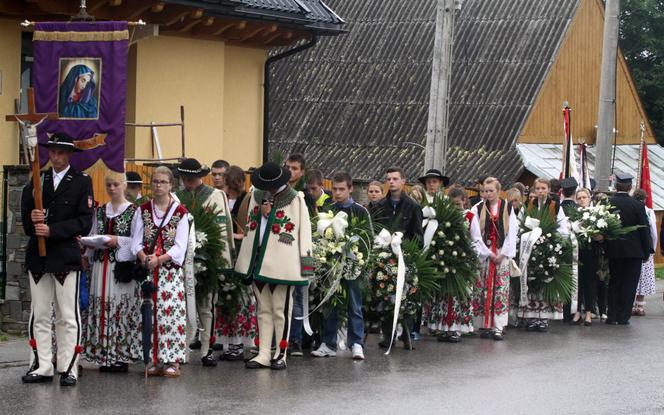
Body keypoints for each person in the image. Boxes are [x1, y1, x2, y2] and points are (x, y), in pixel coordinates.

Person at [21, 133, 94, 386]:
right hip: (38, 257)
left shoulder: (81, 181)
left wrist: (53, 230)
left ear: (70, 155)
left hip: (64, 256)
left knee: (66, 314)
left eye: (61, 152)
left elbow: (84, 221)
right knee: (39, 314)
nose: (56, 156)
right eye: (52, 152)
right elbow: (26, 218)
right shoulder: (38, 179)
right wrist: (34, 220)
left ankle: (68, 366)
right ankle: (41, 364)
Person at [235, 162, 313, 370]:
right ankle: (263, 354)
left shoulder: (296, 199)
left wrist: (307, 266)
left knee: (281, 310)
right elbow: (250, 228)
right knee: (263, 309)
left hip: (283, 264)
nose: (267, 189)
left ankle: (281, 352)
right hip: (257, 261)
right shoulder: (256, 197)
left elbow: (304, 232)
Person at [131, 166, 190, 377]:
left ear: (171, 185)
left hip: (169, 273)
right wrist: (143, 257)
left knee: (170, 314)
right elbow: (135, 241)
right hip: (148, 271)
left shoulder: (180, 213)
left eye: (163, 182)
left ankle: (172, 360)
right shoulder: (143, 210)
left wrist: (159, 259)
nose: (158, 186)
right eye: (155, 181)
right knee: (149, 314)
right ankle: (153, 359)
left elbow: (180, 247)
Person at [176, 158, 234, 367]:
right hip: (180, 260)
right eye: (185, 178)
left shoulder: (216, 196)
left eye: (191, 178)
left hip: (208, 258)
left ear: (200, 176)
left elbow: (223, 229)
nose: (188, 182)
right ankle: (181, 349)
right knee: (180, 306)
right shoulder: (176, 197)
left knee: (206, 305)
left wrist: (225, 261)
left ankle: (206, 349)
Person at [82, 171, 141, 372]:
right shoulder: (99, 210)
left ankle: (120, 355)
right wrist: (87, 247)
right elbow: (92, 234)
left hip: (120, 267)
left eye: (116, 184)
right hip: (100, 265)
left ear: (124, 185)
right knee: (100, 305)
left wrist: (118, 241)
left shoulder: (134, 211)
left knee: (119, 306)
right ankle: (102, 353)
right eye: (108, 185)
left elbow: (138, 242)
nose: (112, 188)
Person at [311, 172, 370, 360]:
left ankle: (357, 344)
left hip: (353, 265)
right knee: (330, 303)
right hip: (332, 265)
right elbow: (320, 234)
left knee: (355, 305)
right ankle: (329, 343)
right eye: (335, 189)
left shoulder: (361, 211)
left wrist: (357, 258)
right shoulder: (329, 208)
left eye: (342, 189)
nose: (337, 193)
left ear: (350, 189)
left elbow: (367, 238)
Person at [372, 167, 423, 348]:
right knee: (385, 295)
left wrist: (407, 251)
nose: (391, 182)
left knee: (407, 296)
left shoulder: (413, 206)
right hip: (384, 258)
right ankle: (388, 334)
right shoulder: (379, 206)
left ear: (403, 181)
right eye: (389, 179)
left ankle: (407, 332)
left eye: (395, 178)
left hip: (404, 258)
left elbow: (418, 236)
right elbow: (375, 231)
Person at [215, 165, 258, 360]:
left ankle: (238, 344)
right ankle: (226, 342)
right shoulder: (220, 197)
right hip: (224, 253)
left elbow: (251, 229)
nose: (229, 190)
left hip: (240, 253)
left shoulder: (247, 200)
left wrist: (237, 235)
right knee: (224, 298)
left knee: (240, 298)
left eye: (232, 187)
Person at [430, 186, 482, 342]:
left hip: (462, 262)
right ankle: (445, 327)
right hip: (446, 260)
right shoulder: (444, 216)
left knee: (460, 295)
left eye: (458, 204)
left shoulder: (470, 216)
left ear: (464, 201)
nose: (455, 208)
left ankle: (457, 329)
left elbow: (476, 239)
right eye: (452, 205)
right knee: (445, 295)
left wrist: (469, 256)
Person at [519, 178, 568, 332]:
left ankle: (543, 318)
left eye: (543, 188)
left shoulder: (555, 205)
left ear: (548, 189)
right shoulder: (528, 204)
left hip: (548, 247)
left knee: (545, 281)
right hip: (530, 247)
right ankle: (531, 317)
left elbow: (562, 227)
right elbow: (520, 222)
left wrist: (555, 241)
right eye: (538, 188)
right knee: (531, 281)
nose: (540, 191)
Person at [471, 177, 517, 341]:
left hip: (501, 253)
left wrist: (502, 254)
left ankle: (498, 326)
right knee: (482, 288)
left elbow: (512, 234)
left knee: (500, 290)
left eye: (491, 191)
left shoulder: (508, 208)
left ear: (498, 191)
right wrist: (489, 253)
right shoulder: (477, 208)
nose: (488, 194)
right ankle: (484, 324)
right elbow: (475, 235)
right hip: (485, 254)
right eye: (485, 191)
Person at [604, 173, 651, 325]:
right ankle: (623, 316)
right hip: (634, 252)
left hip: (614, 250)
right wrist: (646, 251)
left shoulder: (608, 203)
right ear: (630, 187)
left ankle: (611, 315)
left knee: (614, 282)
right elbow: (644, 230)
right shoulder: (637, 205)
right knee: (629, 284)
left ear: (616, 186)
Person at [285, 153, 314, 356]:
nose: (291, 171)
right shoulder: (279, 192)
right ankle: (280, 337)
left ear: (302, 172)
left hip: (297, 253)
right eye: (288, 167)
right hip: (281, 252)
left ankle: (295, 339)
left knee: (296, 298)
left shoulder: (305, 195)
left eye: (295, 168)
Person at [570, 188, 599, 326]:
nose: (582, 200)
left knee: (589, 282)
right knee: (577, 281)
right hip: (576, 252)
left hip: (591, 252)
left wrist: (599, 237)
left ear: (589, 198)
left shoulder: (596, 214)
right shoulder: (573, 215)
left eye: (584, 197)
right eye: (579, 198)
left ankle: (588, 312)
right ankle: (577, 312)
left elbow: (601, 235)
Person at [631, 189, 657, 317]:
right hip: (645, 248)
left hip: (633, 248)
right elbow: (653, 232)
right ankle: (639, 306)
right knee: (644, 278)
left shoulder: (632, 208)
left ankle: (631, 304)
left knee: (632, 277)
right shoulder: (648, 211)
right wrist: (653, 248)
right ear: (645, 199)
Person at [559, 177, 578, 322]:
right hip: (574, 248)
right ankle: (570, 311)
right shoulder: (578, 209)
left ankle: (559, 309)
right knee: (573, 278)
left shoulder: (556, 208)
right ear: (575, 192)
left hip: (558, 247)